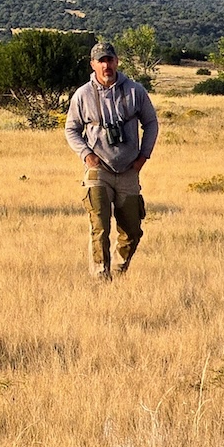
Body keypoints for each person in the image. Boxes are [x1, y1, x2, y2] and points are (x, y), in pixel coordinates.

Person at [63, 39, 159, 281]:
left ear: (117, 62)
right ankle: (100, 277)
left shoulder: (135, 91)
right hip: (99, 171)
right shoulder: (82, 95)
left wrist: (143, 157)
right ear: (93, 65)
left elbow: (151, 123)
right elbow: (71, 129)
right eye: (101, 61)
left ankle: (118, 268)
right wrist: (87, 155)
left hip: (128, 171)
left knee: (132, 231)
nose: (106, 65)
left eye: (110, 60)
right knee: (99, 227)